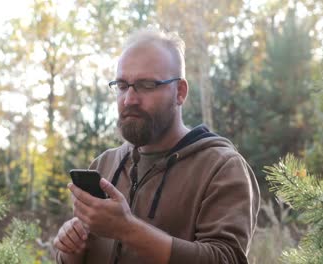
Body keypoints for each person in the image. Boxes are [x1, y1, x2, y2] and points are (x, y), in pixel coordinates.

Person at [53, 28, 260, 264]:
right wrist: (71, 250)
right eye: (122, 85)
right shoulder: (104, 164)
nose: (129, 99)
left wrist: (127, 230)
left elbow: (226, 259)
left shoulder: (220, 167)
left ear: (180, 92)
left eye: (146, 85)